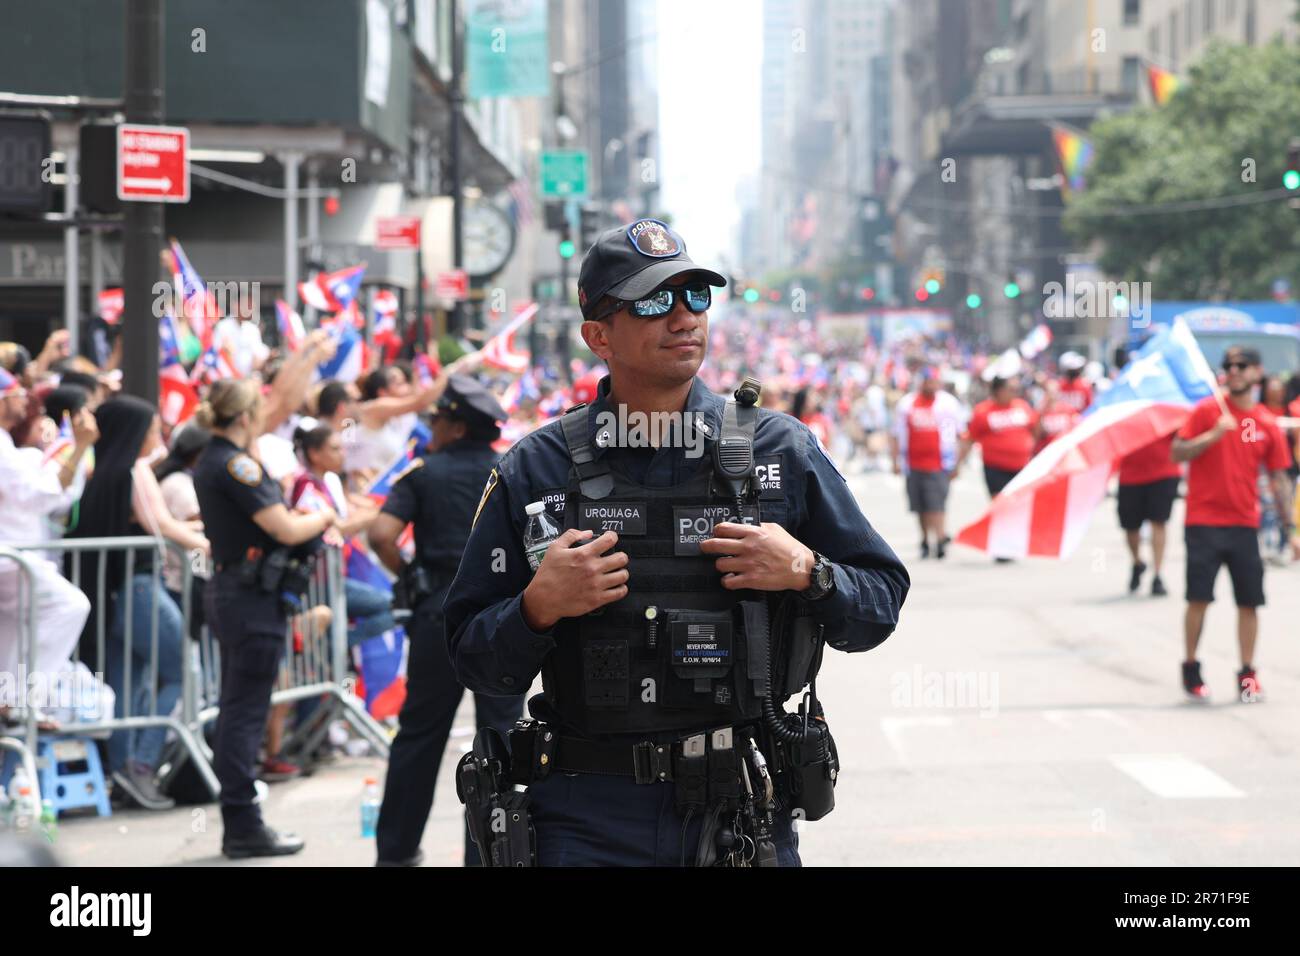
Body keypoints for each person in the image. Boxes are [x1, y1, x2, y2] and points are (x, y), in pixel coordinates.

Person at [442, 219, 910, 867]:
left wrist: (806, 570)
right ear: (598, 336)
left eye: (697, 296)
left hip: (737, 812)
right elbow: (469, 657)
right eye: (655, 301)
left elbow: (879, 605)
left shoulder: (781, 451)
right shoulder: (536, 469)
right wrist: (536, 609)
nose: (684, 316)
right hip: (585, 816)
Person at [369, 375, 524, 867]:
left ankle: (395, 852)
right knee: (498, 738)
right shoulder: (511, 470)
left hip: (439, 608)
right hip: (502, 614)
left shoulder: (423, 472)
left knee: (419, 733)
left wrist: (412, 576)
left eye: (436, 419)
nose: (430, 427)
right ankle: (489, 855)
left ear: (456, 426)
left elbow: (381, 534)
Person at [192, 379, 338, 857]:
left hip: (237, 591)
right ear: (244, 417)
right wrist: (321, 519)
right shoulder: (234, 463)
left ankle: (241, 821)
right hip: (250, 597)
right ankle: (243, 825)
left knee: (239, 710)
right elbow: (285, 527)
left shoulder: (215, 458)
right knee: (244, 714)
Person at [69, 396, 210, 810]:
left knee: (128, 682)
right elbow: (161, 525)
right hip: (139, 588)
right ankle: (140, 765)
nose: (158, 435)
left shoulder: (100, 472)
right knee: (181, 671)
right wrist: (211, 541)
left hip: (115, 594)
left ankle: (122, 772)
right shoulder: (133, 470)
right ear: (134, 433)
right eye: (151, 429)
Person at [1172, 346, 1293, 702]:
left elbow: (1280, 479)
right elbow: (1176, 452)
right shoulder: (1207, 412)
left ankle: (1247, 675)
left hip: (1244, 524)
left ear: (1257, 372)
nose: (1234, 371)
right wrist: (1213, 435)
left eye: (1242, 366)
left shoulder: (1265, 422)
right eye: (1228, 366)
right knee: (1199, 598)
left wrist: (1293, 532)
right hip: (1203, 522)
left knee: (1249, 602)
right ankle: (1191, 666)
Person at [0, 367, 96, 724]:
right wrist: (81, 447)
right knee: (70, 605)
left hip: (14, 559)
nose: (25, 399)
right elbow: (41, 495)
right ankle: (21, 699)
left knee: (13, 625)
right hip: (10, 559)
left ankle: (10, 699)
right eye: (15, 394)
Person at [890, 367, 964, 559]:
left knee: (937, 503)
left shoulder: (948, 404)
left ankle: (939, 539)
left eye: (933, 382)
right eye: (927, 381)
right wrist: (895, 460)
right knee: (920, 506)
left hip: (939, 463)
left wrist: (958, 462)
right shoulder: (906, 404)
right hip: (913, 463)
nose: (930, 385)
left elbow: (960, 433)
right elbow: (896, 434)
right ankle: (924, 539)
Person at [1116, 433, 1182, 596]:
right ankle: (1137, 563)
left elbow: (1182, 435)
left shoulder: (1166, 409)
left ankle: (1157, 575)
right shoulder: (1123, 410)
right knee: (1131, 527)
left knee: (1158, 522)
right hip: (1130, 474)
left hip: (1163, 472)